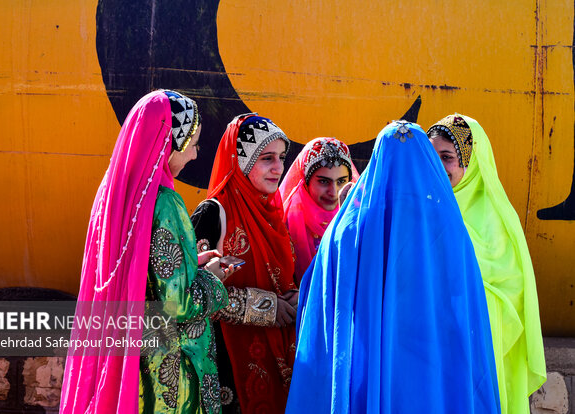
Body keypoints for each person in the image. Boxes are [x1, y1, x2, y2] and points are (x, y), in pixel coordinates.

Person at [286, 121, 500, 413]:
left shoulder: (347, 228)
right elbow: (467, 306)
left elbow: (319, 296)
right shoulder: (448, 228)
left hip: (364, 363)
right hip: (427, 367)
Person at [60, 90, 235, 414]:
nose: (196, 155)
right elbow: (177, 303)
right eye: (192, 144)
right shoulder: (165, 202)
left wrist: (187, 264)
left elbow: (136, 264)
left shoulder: (112, 196)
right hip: (165, 373)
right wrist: (212, 280)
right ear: (168, 144)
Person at [427, 114, 546, 414]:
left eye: (448, 157)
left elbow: (509, 291)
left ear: (471, 161)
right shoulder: (429, 205)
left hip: (477, 348)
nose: (438, 166)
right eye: (431, 156)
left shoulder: (496, 220)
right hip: (433, 345)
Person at [190, 114, 297, 413]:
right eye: (266, 158)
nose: (278, 168)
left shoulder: (275, 214)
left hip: (278, 357)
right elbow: (190, 294)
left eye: (281, 157)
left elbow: (284, 277)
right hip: (228, 366)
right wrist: (263, 307)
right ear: (241, 162)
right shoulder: (213, 213)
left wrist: (296, 296)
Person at [279, 137, 359, 284]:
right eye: (323, 181)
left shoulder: (358, 222)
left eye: (341, 181)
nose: (334, 192)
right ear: (305, 181)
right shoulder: (286, 225)